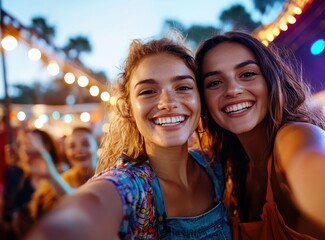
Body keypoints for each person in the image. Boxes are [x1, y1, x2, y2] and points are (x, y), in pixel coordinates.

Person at [25, 33, 231, 240]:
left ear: (200, 99)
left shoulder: (217, 167)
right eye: (148, 91)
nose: (167, 102)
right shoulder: (130, 185)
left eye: (183, 87)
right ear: (128, 109)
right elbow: (89, 209)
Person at [195, 31, 325, 239]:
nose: (233, 90)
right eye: (214, 83)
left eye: (247, 74)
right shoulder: (229, 171)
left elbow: (315, 164)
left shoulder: (296, 136)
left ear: (271, 80)